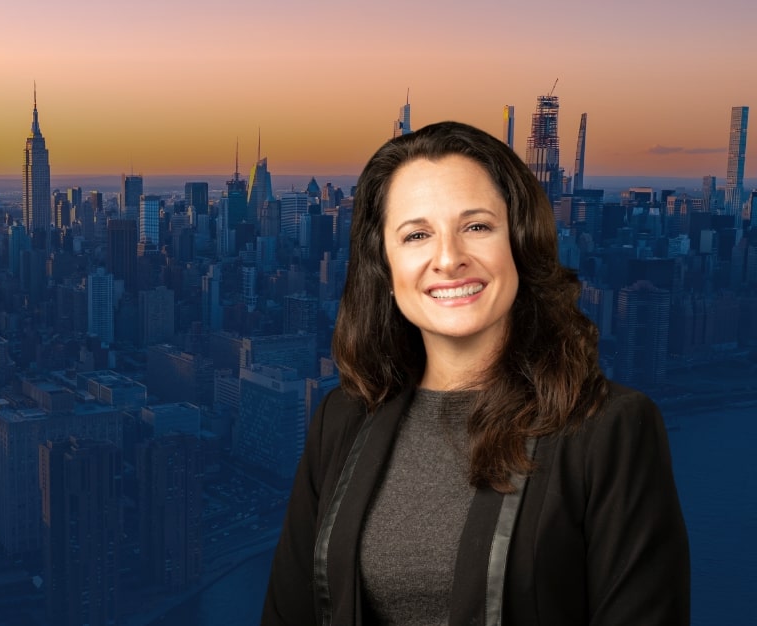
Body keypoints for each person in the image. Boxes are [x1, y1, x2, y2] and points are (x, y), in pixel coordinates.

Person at [261, 121, 690, 625]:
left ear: (520, 242)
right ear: (386, 266)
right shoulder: (342, 419)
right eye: (417, 235)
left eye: (477, 226)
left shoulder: (610, 430)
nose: (448, 259)